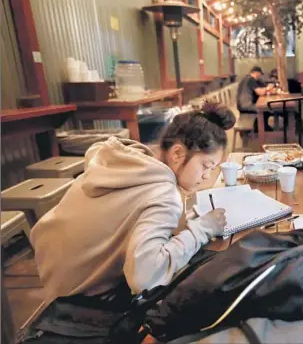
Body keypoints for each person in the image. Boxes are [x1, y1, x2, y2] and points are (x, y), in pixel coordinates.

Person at [30, 101, 236, 309]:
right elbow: (144, 278)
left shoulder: (131, 162)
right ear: (177, 154)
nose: (207, 176)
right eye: (206, 166)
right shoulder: (163, 193)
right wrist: (201, 230)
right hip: (82, 301)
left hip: (54, 276)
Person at [236, 65, 275, 131]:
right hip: (246, 106)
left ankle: (260, 127)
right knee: (265, 109)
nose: (260, 76)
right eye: (260, 74)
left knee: (264, 108)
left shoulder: (246, 78)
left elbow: (260, 88)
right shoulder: (251, 79)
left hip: (240, 105)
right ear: (256, 72)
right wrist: (268, 88)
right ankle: (262, 128)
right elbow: (259, 92)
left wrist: (266, 89)